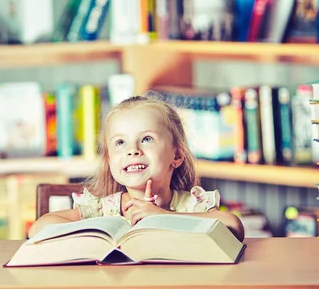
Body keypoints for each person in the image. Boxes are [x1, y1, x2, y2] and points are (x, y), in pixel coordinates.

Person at [28, 95, 245, 242]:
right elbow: (38, 228)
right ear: (109, 159)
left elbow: (233, 225)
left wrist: (160, 216)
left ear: (176, 155)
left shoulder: (191, 205)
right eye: (120, 143)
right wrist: (98, 229)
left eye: (147, 139)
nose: (132, 150)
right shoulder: (106, 209)